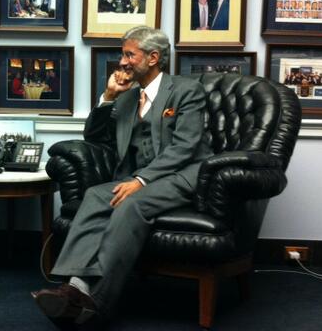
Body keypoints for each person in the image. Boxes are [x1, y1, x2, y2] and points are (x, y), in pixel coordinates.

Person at [32, 26, 213, 327]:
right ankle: (75, 288)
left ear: (153, 58)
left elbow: (185, 148)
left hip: (182, 175)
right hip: (137, 177)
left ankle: (98, 302)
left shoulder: (186, 90)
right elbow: (94, 136)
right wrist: (108, 96)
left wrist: (141, 181)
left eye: (130, 55)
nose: (123, 61)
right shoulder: (127, 98)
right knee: (95, 195)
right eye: (123, 55)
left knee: (130, 204)